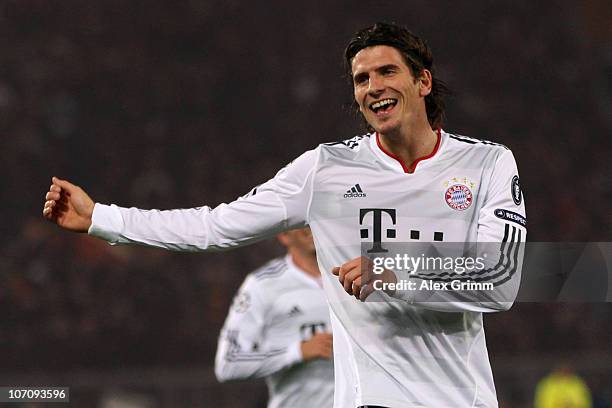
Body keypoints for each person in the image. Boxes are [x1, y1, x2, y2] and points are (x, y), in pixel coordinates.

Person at [43, 22, 526, 407]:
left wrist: (395, 270)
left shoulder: (487, 163)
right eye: (361, 79)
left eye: (386, 72)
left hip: (465, 398)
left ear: (422, 81)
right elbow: (216, 226)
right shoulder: (325, 169)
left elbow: (501, 279)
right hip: (371, 400)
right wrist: (102, 217)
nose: (372, 87)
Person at [214, 227, 334, 408]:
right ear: (284, 235)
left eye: (314, 219)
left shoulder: (358, 273)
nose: (311, 228)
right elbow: (228, 363)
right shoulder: (262, 284)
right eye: (302, 223)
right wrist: (298, 351)